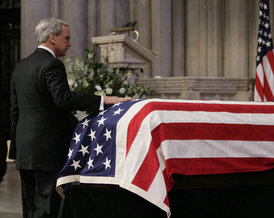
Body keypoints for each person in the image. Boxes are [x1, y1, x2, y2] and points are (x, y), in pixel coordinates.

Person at [9, 17, 131, 218]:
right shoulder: (52, 64)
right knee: (47, 209)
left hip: (26, 152)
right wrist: (104, 101)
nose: (69, 43)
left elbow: (15, 112)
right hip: (47, 151)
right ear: (52, 38)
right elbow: (64, 99)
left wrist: (15, 149)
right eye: (66, 38)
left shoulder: (20, 66)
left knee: (30, 207)